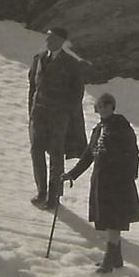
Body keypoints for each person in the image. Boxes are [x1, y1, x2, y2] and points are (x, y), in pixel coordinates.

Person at [63, 93, 139, 274]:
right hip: (101, 180)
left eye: (107, 105)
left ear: (113, 107)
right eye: (101, 105)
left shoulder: (122, 126)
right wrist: (72, 174)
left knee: (114, 221)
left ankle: (108, 260)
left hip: (118, 181)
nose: (104, 108)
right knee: (107, 219)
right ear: (97, 108)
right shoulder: (98, 129)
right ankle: (117, 259)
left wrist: (129, 175)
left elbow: (133, 152)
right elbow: (88, 156)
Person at [27, 27, 88, 209]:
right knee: (36, 151)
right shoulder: (38, 59)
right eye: (47, 36)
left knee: (56, 155)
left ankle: (54, 196)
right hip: (38, 115)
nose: (47, 39)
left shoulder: (71, 64)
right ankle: (41, 191)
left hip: (58, 117)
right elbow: (32, 87)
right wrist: (31, 110)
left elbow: (77, 93)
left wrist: (65, 113)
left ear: (60, 41)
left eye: (51, 37)